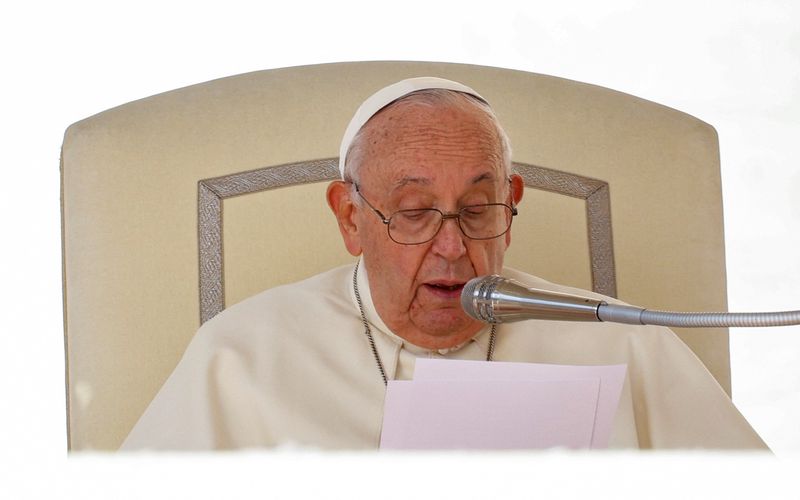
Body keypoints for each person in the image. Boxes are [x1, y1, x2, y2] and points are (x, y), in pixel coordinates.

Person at [121, 77, 767, 450]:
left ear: (512, 204)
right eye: (413, 211)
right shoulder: (237, 360)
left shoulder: (625, 344)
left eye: (478, 208)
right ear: (350, 217)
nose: (453, 247)